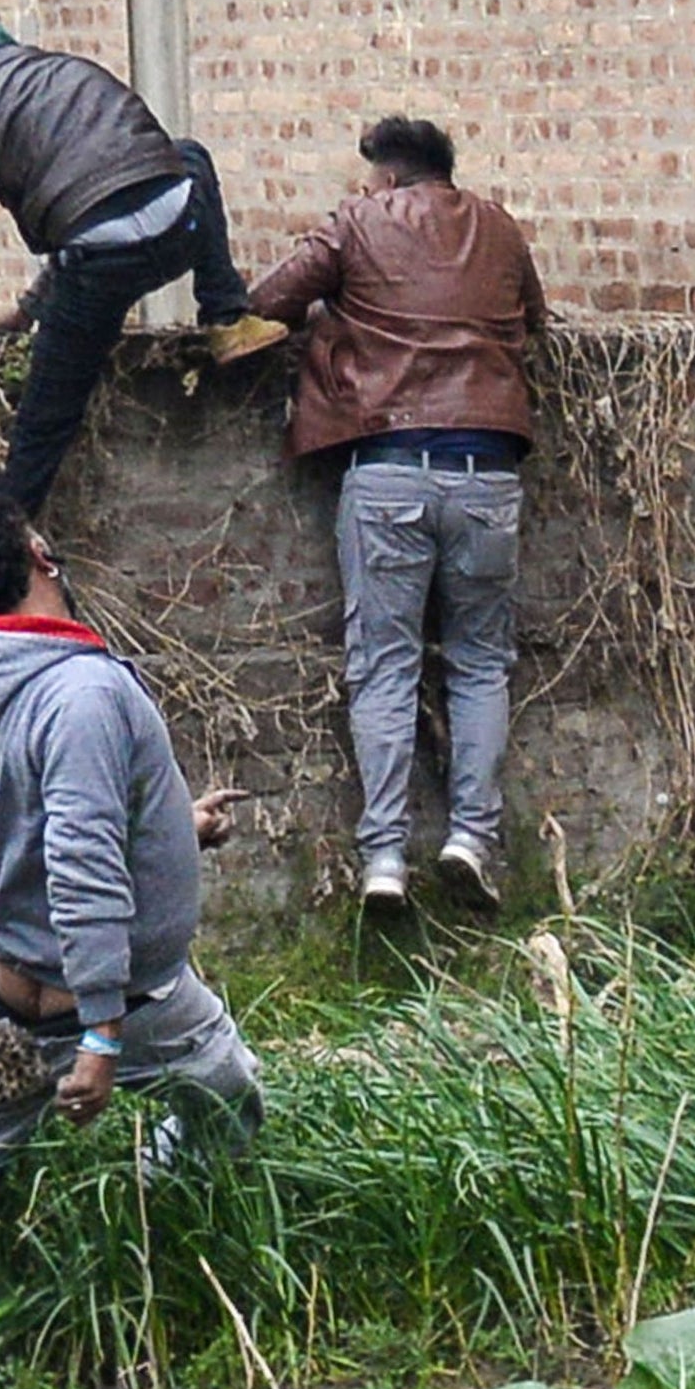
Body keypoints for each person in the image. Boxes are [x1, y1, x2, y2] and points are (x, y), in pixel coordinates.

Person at [0, 15, 285, 672]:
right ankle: (227, 316)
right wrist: (27, 310)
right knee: (190, 155)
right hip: (181, 222)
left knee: (39, 434)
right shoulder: (61, 72)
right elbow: (108, 189)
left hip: (102, 259)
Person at [0, 488, 264, 1220]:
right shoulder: (83, 696)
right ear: (42, 556)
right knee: (230, 1102)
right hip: (121, 1000)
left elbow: (50, 819)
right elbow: (81, 865)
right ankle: (155, 1207)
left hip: (10, 987)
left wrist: (170, 827)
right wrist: (102, 1033)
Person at [244, 116, 547, 910]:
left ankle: (384, 859)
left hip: (386, 469)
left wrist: (330, 321)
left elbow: (268, 300)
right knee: (480, 663)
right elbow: (536, 325)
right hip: (488, 469)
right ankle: (469, 838)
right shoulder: (501, 230)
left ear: (386, 178)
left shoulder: (357, 222)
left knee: (384, 663)